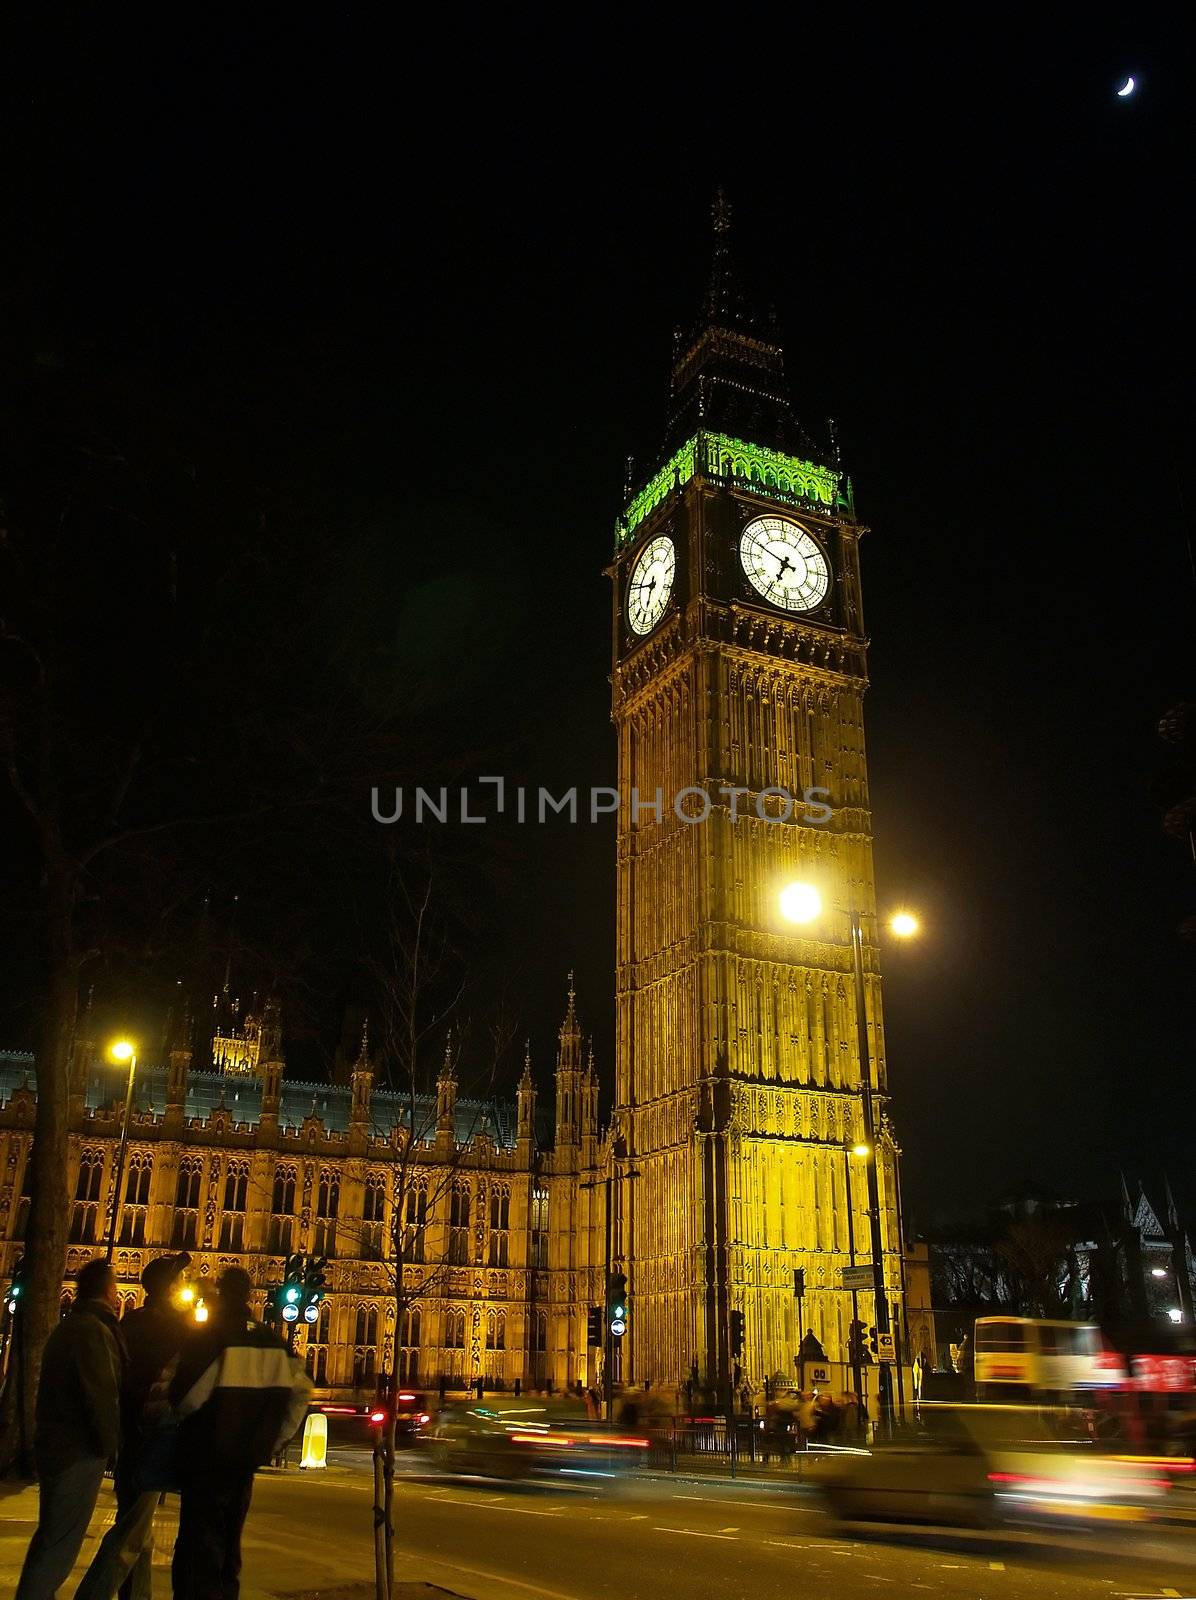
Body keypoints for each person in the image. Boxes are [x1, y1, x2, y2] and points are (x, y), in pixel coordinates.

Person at [169, 1267, 312, 1600]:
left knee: (198, 1551)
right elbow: (301, 1392)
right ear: (249, 1296)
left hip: (206, 1460)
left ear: (220, 1292)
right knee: (229, 1555)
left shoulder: (211, 1336)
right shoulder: (271, 1341)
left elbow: (188, 1397)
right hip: (244, 1464)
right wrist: (271, 1442)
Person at [75, 1252, 192, 1600]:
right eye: (180, 1279)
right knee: (131, 1535)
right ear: (169, 1288)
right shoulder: (176, 1328)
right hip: (153, 1437)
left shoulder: (132, 1322)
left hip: (131, 1435)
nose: (185, 1284)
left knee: (140, 1531)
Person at [15, 1257, 126, 1600]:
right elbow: (101, 1393)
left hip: (59, 1444)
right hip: (77, 1450)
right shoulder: (91, 1331)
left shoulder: (71, 1326)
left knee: (53, 1536)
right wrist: (111, 1446)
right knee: (60, 1543)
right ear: (108, 1290)